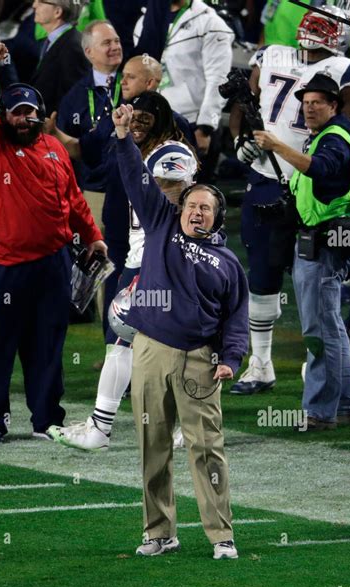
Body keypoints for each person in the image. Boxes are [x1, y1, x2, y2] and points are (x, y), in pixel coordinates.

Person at [110, 102, 249, 559]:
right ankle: (159, 532)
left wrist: (231, 360)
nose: (195, 213)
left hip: (200, 360)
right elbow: (136, 178)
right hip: (149, 350)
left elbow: (235, 319)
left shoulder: (229, 265)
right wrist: (123, 137)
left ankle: (221, 536)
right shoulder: (160, 221)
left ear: (217, 217)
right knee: (152, 446)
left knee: (206, 449)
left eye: (205, 209)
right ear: (180, 207)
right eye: (191, 205)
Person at [0, 41, 106, 444]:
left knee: (47, 343)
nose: (24, 119)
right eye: (16, 112)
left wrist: (92, 235)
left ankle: (45, 418)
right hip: (3, 264)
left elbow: (74, 199)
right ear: (3, 117)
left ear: (40, 115)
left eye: (30, 112)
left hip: (52, 263)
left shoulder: (55, 148)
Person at [228, 5, 350, 395]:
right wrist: (239, 139)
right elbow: (244, 103)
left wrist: (334, 171)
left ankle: (319, 366)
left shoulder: (345, 70)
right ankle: (260, 363)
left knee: (317, 281)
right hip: (269, 180)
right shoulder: (274, 55)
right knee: (263, 274)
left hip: (313, 191)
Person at [48, 92, 198, 451]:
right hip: (140, 258)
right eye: (134, 120)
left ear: (161, 119)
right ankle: (104, 426)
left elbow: (164, 205)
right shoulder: (141, 152)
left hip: (162, 261)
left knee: (167, 343)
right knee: (126, 339)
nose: (137, 127)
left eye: (145, 120)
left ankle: (178, 424)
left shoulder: (174, 153)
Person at [254, 73, 350, 430]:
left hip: (324, 245)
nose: (309, 107)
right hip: (321, 241)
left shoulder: (333, 139)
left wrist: (276, 146)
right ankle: (346, 406)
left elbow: (318, 169)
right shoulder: (323, 138)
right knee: (331, 327)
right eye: (306, 102)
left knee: (320, 331)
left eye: (318, 102)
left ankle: (319, 411)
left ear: (334, 106)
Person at [133, 0, 234, 173]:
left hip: (191, 123)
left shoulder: (210, 22)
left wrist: (205, 128)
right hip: (153, 121)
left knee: (188, 192)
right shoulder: (145, 20)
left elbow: (218, 78)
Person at [57, 20, 123, 228]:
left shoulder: (134, 82)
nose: (115, 47)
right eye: (106, 43)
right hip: (95, 191)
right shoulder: (74, 97)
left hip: (134, 187)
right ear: (89, 52)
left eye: (117, 41)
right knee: (97, 253)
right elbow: (63, 151)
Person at [30, 0, 90, 116]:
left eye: (41, 2)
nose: (34, 5)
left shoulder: (73, 47)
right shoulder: (53, 41)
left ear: (57, 12)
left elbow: (73, 98)